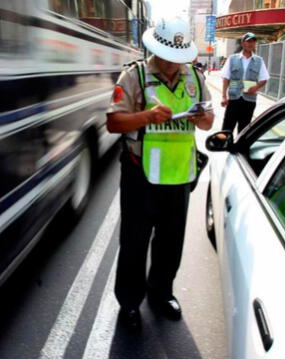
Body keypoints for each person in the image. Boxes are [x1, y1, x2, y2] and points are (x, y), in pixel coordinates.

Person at [106, 16, 214, 331]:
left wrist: (201, 118)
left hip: (180, 174)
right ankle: (129, 302)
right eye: (168, 59)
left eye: (179, 60)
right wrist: (147, 116)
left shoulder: (195, 77)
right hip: (141, 176)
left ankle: (161, 293)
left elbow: (207, 122)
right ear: (156, 50)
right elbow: (114, 123)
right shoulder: (134, 75)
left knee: (171, 242)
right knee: (135, 242)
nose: (172, 66)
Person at [220, 32, 269, 133]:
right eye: (248, 41)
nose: (251, 44)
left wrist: (256, 88)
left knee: (244, 129)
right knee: (227, 126)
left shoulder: (259, 61)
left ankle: (239, 148)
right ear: (242, 44)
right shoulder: (232, 59)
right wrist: (224, 96)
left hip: (249, 100)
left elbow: (264, 78)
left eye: (253, 41)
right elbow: (226, 78)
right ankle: (226, 147)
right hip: (233, 98)